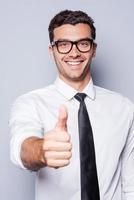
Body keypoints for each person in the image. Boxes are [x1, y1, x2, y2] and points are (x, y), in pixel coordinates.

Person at [9, 9, 134, 200]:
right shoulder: (31, 103)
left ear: (93, 49)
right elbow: (22, 146)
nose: (74, 53)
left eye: (83, 44)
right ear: (52, 51)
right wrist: (42, 150)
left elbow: (131, 184)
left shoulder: (124, 108)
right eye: (64, 45)